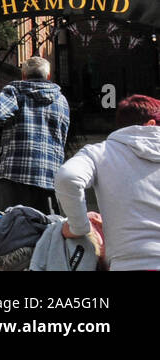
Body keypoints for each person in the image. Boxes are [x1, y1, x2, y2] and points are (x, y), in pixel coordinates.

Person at [55, 93, 160, 271]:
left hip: (128, 265)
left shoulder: (99, 153)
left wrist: (80, 227)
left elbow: (68, 177)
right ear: (150, 124)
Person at [0, 56, 70, 214]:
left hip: (14, 175)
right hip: (49, 175)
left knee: (10, 230)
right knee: (48, 231)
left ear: (23, 75)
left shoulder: (16, 92)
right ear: (48, 76)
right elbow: (62, 138)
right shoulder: (61, 100)